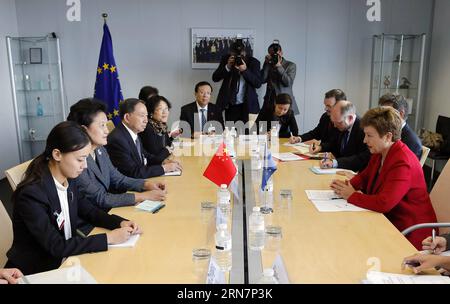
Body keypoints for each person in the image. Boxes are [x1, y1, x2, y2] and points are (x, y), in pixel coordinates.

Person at [4, 121, 142, 275]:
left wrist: (119, 222)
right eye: (80, 159)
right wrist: (108, 238)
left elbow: (89, 211)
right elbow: (56, 246)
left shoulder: (68, 179)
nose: (85, 166)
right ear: (57, 154)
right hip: (38, 270)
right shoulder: (31, 194)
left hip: (68, 259)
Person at [330, 107, 437, 250]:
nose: (364, 140)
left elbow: (384, 203)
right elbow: (364, 177)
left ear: (388, 136)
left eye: (369, 135)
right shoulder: (380, 152)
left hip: (411, 233)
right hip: (387, 220)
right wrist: (346, 186)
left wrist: (351, 195)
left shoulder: (402, 162)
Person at [67, 98, 167, 212]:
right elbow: (100, 198)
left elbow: (117, 178)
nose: (106, 131)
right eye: (102, 125)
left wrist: (146, 184)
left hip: (106, 211)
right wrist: (143, 196)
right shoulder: (76, 160)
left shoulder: (100, 149)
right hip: (92, 220)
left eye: (106, 125)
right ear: (84, 130)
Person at [106, 98, 182, 179]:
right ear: (127, 117)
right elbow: (133, 172)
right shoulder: (118, 139)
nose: (146, 120)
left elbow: (145, 156)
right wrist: (164, 168)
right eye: (142, 116)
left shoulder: (133, 132)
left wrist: (163, 162)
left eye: (146, 116)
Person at [310, 101, 371, 172]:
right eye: (333, 122)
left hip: (354, 173)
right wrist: (320, 147)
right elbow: (333, 143)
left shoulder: (364, 130)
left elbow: (362, 158)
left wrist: (335, 163)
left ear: (350, 118)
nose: (335, 126)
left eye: (338, 123)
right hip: (339, 171)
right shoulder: (342, 125)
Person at [212, 39, 262, 124]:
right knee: (230, 134)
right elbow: (215, 78)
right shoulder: (226, 59)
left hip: (247, 105)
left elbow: (257, 83)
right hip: (230, 104)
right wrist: (227, 66)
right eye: (234, 54)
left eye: (241, 55)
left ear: (245, 52)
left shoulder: (254, 62)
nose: (238, 57)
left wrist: (245, 70)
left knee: (247, 135)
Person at [378, 93, 422, 159]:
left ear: (401, 114)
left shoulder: (412, 141)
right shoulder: (386, 132)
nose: (381, 117)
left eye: (386, 113)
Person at [260, 41, 299, 115]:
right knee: (265, 125)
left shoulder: (290, 65)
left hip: (284, 103)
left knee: (284, 126)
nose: (274, 56)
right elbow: (262, 80)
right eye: (271, 54)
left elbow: (288, 82)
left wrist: (279, 66)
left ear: (281, 53)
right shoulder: (268, 64)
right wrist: (266, 64)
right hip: (269, 102)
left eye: (276, 54)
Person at [140, 95, 182, 160]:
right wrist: (168, 150)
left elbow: (167, 144)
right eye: (160, 109)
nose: (165, 112)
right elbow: (157, 157)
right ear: (151, 112)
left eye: (166, 108)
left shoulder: (160, 126)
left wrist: (172, 137)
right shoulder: (148, 128)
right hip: (152, 167)